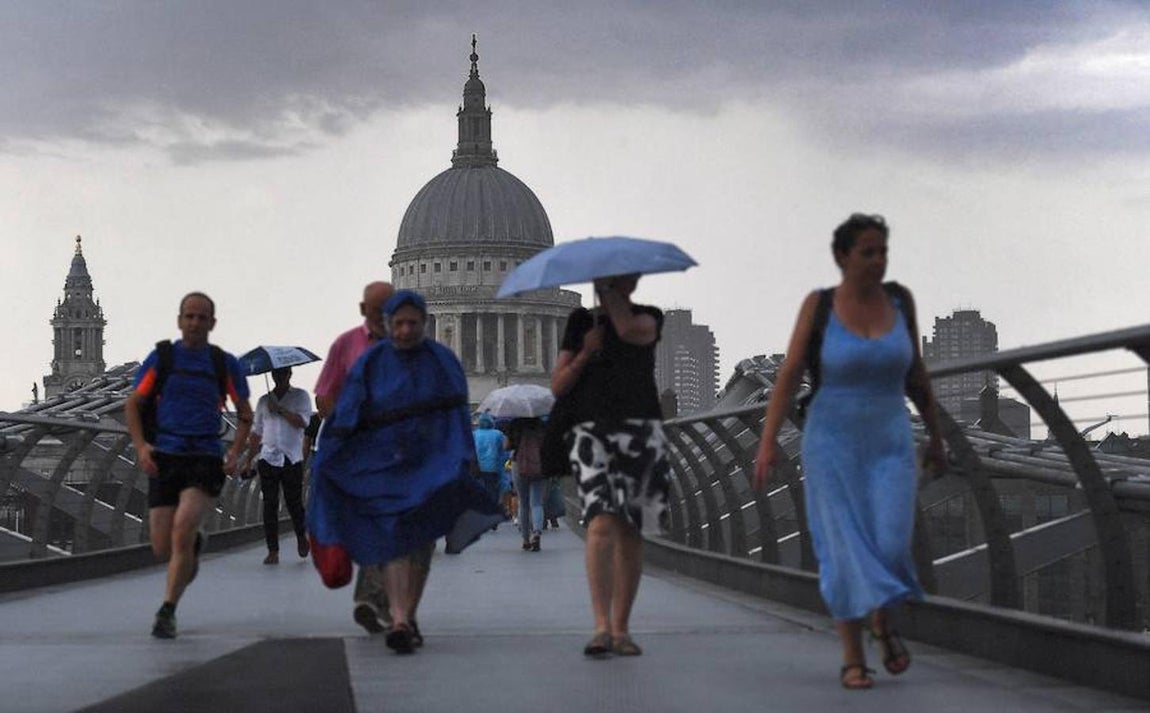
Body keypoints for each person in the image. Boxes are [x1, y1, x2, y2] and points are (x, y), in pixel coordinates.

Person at [752, 213, 946, 690]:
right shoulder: (818, 306)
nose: (878, 261)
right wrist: (767, 440)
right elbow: (791, 372)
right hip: (831, 442)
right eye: (868, 252)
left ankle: (881, 618)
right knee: (842, 548)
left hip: (890, 440)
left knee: (889, 541)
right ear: (842, 257)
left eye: (883, 252)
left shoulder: (900, 301)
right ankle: (853, 657)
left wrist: (938, 436)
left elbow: (916, 373)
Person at [308, 289, 504, 653]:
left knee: (419, 543)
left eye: (412, 323)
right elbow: (347, 413)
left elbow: (456, 415)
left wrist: (460, 459)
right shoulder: (373, 362)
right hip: (386, 464)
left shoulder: (442, 361)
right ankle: (400, 619)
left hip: (429, 464)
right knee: (395, 538)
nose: (404, 331)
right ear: (387, 322)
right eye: (398, 323)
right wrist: (333, 454)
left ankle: (406, 613)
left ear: (426, 323)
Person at [552, 273, 670, 658]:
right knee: (601, 522)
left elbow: (627, 327)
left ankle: (622, 627)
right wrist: (586, 352)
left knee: (631, 529)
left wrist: (607, 296)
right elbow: (558, 385)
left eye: (622, 282)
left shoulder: (650, 316)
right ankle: (602, 626)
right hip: (591, 432)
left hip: (640, 431)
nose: (619, 287)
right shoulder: (579, 323)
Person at [124, 292, 253, 639]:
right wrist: (141, 447)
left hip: (204, 457)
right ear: (180, 320)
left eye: (202, 317)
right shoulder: (162, 358)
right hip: (166, 455)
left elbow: (245, 413)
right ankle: (194, 545)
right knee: (161, 547)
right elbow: (133, 404)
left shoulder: (223, 363)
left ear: (212, 323)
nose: (195, 322)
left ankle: (167, 610)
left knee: (181, 528)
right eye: (189, 316)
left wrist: (234, 451)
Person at [313, 281, 403, 637]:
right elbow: (324, 397)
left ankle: (372, 599)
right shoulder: (346, 345)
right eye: (376, 309)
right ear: (362, 310)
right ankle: (373, 598)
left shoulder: (411, 347)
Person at [247, 366, 314, 565]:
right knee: (269, 503)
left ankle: (301, 537)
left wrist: (282, 410)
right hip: (268, 457)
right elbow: (256, 432)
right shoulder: (263, 401)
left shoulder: (301, 396)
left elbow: (303, 423)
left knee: (294, 503)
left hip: (291, 457)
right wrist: (249, 459)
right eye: (276, 374)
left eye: (282, 373)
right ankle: (272, 550)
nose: (279, 377)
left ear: (289, 374)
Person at [509, 417, 547, 551]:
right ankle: (536, 532)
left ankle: (525, 539)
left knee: (523, 502)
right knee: (537, 502)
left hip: (518, 464)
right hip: (539, 465)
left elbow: (507, 446)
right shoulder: (542, 424)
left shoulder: (515, 423)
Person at [472, 412, 509, 510]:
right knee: (493, 489)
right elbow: (505, 451)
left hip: (477, 468)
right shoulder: (498, 434)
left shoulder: (474, 434)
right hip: (494, 467)